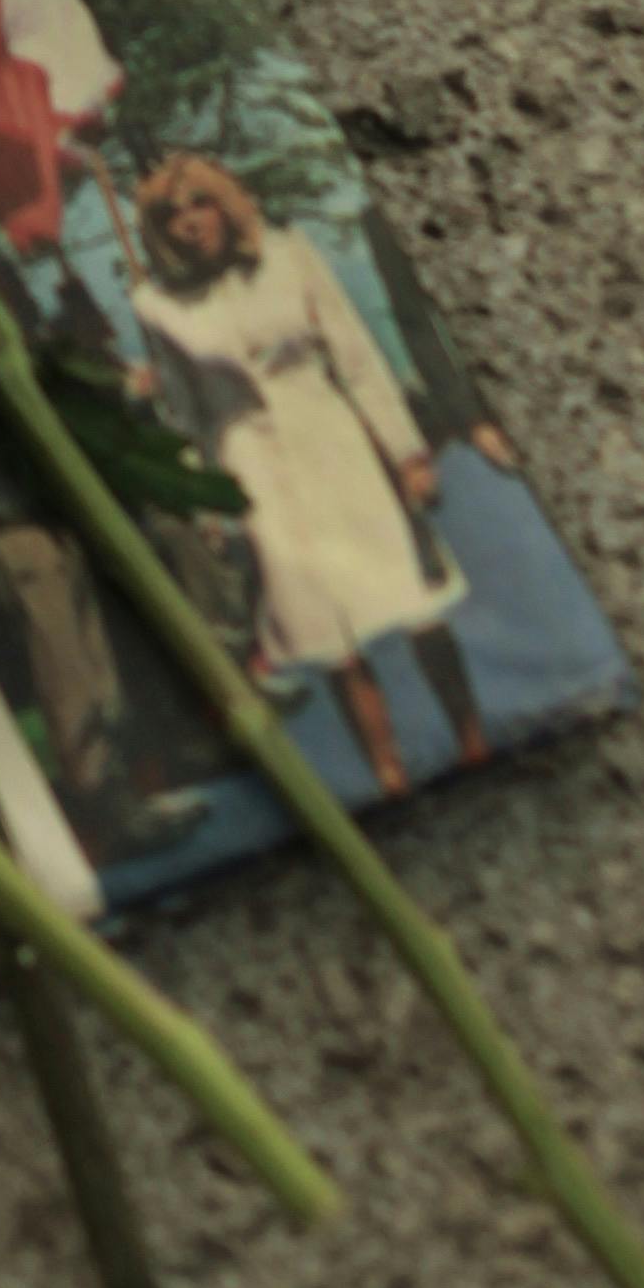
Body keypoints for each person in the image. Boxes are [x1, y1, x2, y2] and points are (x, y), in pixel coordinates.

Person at [127, 148, 486, 800]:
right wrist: (206, 502)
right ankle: (388, 772)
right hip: (256, 466)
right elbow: (188, 414)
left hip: (334, 438)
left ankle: (471, 737)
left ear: (225, 204)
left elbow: (356, 357)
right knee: (327, 633)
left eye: (199, 204)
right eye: (169, 215)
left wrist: (405, 451)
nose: (189, 223)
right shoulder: (156, 305)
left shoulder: (290, 255)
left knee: (415, 598)